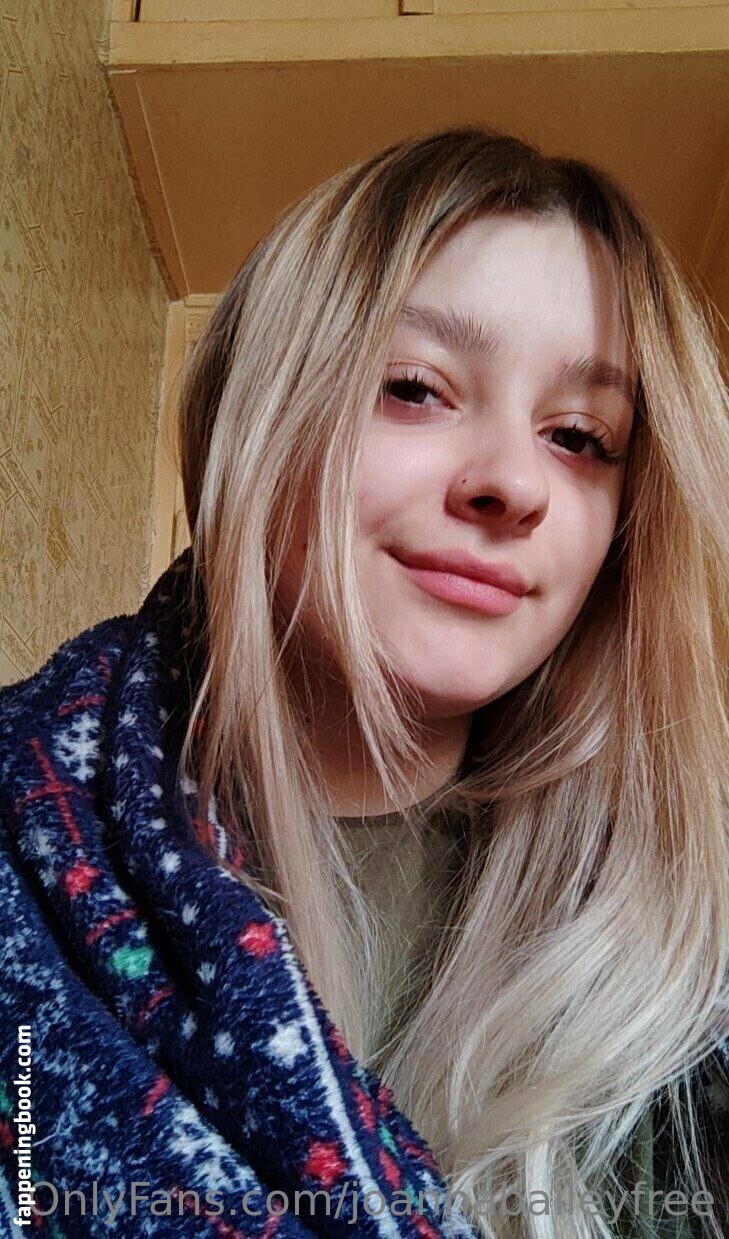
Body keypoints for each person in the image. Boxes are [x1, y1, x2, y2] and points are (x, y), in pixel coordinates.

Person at [0, 126, 726, 1239]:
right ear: (260, 411)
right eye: (415, 387)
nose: (513, 482)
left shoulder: (679, 947)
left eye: (581, 437)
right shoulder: (26, 828)